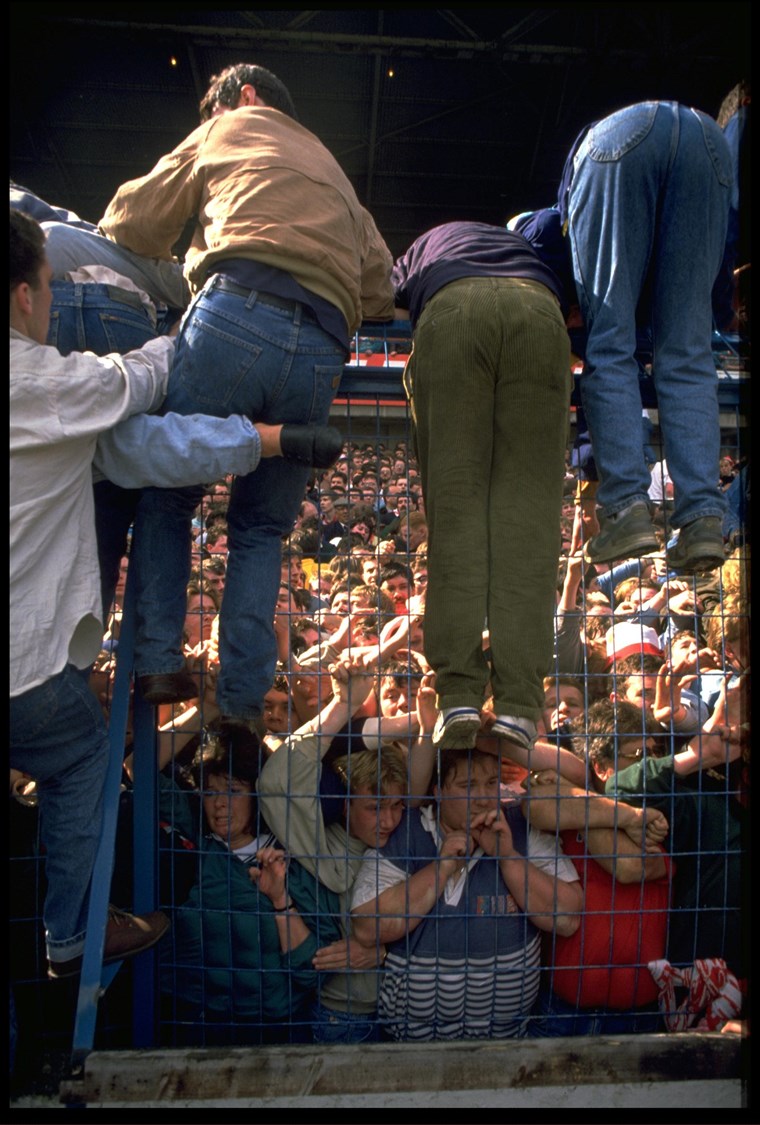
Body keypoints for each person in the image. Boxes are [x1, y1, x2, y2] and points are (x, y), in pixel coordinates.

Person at [99, 61, 394, 723]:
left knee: (168, 487)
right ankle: (240, 700)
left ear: (245, 96)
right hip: (323, 345)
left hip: (236, 312)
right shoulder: (334, 168)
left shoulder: (232, 124)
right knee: (261, 527)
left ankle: (158, 663)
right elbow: (379, 287)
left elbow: (131, 218)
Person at [10, 208, 171, 978]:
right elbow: (134, 378)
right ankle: (71, 937)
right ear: (23, 298)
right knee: (81, 755)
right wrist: (184, 339)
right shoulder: (40, 381)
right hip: (23, 675)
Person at [392, 221, 572, 752]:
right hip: (539, 311)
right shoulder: (528, 248)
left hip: (452, 309)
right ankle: (519, 704)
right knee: (529, 522)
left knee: (458, 516)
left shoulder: (425, 243)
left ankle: (459, 697)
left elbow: (384, 297)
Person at [555, 101, 733, 574]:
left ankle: (626, 509)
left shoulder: (537, 226)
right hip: (709, 143)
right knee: (690, 355)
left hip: (616, 140)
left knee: (610, 343)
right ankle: (701, 521)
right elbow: (716, 296)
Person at [350, 747, 582, 1041]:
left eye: (490, 783)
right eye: (467, 785)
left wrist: (507, 856)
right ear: (438, 791)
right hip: (413, 1046)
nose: (484, 797)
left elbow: (568, 918)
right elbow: (368, 927)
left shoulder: (521, 826)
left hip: (505, 1043)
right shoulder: (404, 831)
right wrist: (443, 866)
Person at [158, 728, 342, 1045]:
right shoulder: (192, 847)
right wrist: (208, 704)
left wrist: (280, 899)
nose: (219, 805)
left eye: (233, 790)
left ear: (257, 795)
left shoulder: (291, 860)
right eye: (211, 792)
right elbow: (139, 768)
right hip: (195, 1028)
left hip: (274, 1032)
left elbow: (313, 970)